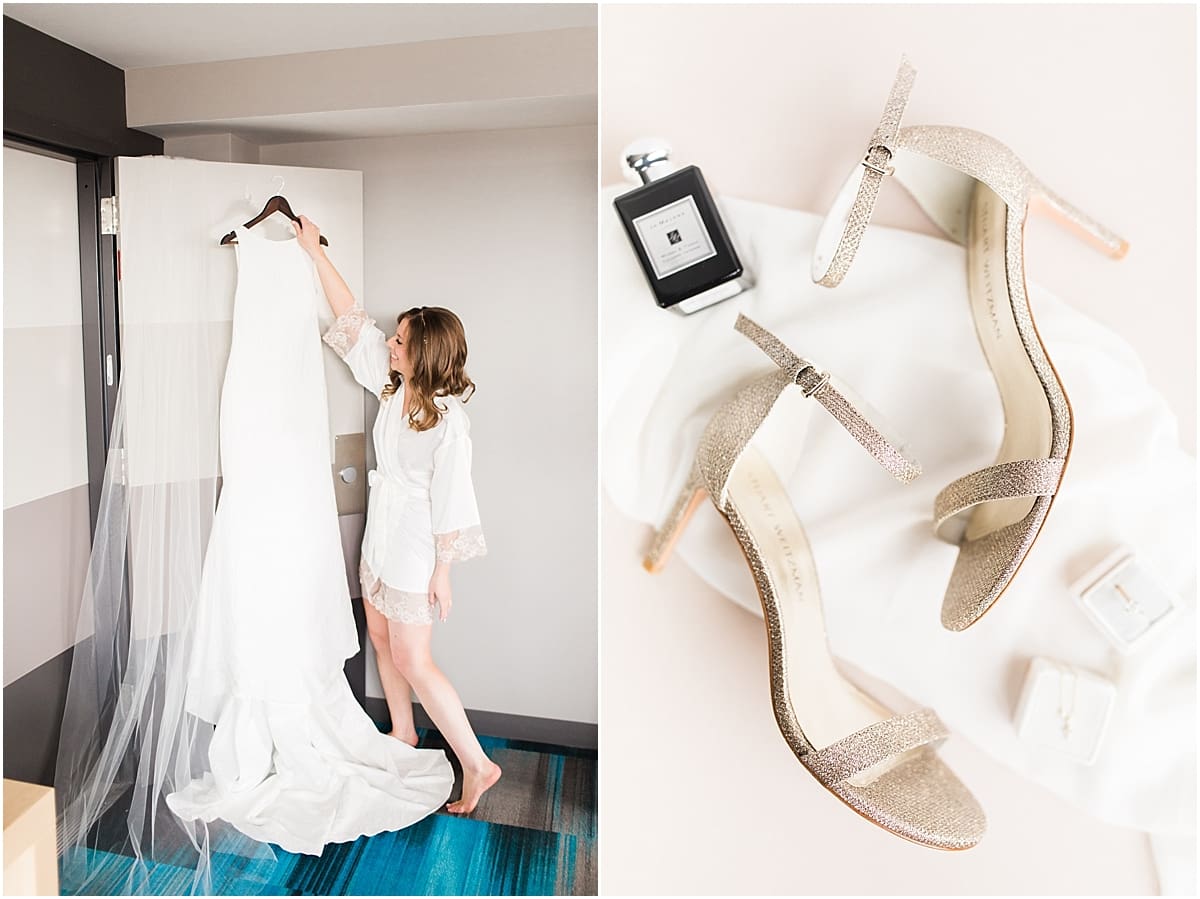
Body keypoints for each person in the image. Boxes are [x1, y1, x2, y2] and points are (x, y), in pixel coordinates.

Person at [294, 215, 502, 814]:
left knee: (415, 655)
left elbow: (452, 502)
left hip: (415, 543)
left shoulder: (447, 423)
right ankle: (404, 733)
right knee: (380, 636)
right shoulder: (391, 388)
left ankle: (478, 764)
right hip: (382, 535)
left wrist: (443, 571)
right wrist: (313, 251)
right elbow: (352, 320)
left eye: (401, 339)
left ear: (423, 353)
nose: (389, 341)